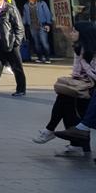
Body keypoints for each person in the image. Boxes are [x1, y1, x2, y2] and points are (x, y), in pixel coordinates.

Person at [35, 23, 95, 157]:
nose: (71, 33)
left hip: (91, 89)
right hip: (83, 86)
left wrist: (84, 62)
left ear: (83, 35)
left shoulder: (90, 51)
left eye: (75, 31)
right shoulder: (79, 48)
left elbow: (92, 74)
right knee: (66, 96)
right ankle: (75, 144)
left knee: (66, 98)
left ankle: (51, 130)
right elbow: (77, 72)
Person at [23, 0, 54, 64]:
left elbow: (47, 13)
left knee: (44, 42)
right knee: (36, 43)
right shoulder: (26, 5)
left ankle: (47, 58)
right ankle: (40, 58)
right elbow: (25, 16)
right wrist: (22, 24)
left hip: (42, 25)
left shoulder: (42, 3)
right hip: (32, 27)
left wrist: (48, 24)